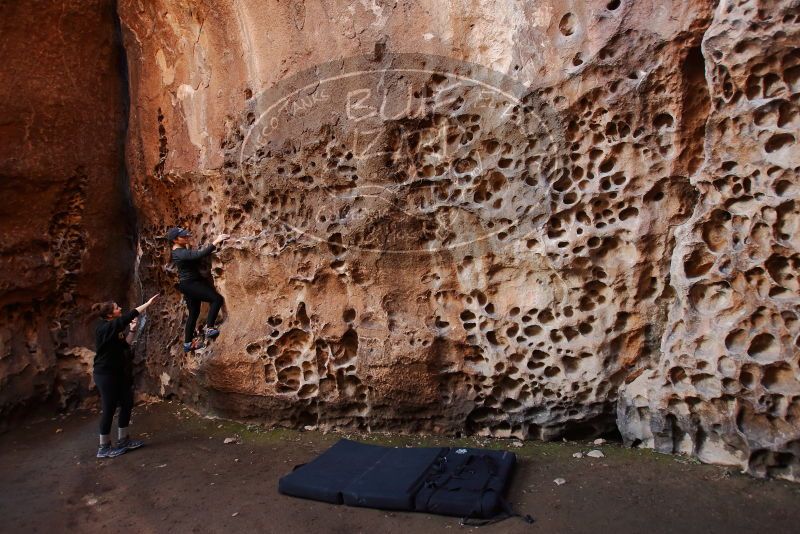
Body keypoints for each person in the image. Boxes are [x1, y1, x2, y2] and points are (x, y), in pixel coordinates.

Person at [91, 294, 159, 458]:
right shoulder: (104, 328)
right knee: (109, 408)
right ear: (109, 315)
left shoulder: (114, 329)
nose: (120, 308)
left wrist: (133, 329)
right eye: (116, 308)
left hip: (117, 373)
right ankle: (104, 447)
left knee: (127, 403)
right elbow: (128, 316)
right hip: (104, 374)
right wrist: (148, 304)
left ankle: (123, 440)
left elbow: (125, 344)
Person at [166, 227, 229, 352]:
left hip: (187, 284)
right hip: (191, 284)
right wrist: (216, 241)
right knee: (216, 299)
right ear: (175, 240)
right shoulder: (179, 252)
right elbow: (199, 255)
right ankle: (209, 328)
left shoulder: (179, 250)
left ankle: (188, 344)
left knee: (193, 314)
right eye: (183, 237)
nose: (186, 237)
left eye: (186, 235)